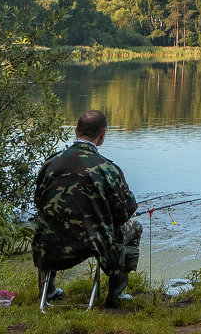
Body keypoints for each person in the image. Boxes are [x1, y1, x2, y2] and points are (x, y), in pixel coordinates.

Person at [33, 110, 142, 307]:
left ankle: (48, 291)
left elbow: (39, 203)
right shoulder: (108, 168)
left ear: (75, 130)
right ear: (102, 135)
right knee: (134, 226)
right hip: (92, 245)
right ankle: (116, 294)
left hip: (48, 245)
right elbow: (125, 212)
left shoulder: (50, 163)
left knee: (51, 221)